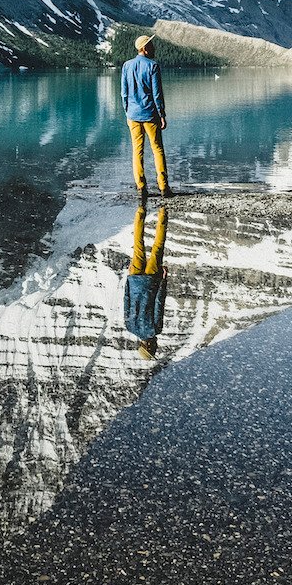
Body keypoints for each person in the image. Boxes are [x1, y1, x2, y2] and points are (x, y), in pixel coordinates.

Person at [120, 33, 171, 197]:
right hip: (150, 114)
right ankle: (163, 187)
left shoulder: (126, 66)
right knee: (157, 150)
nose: (153, 47)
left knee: (137, 151)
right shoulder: (153, 66)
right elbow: (157, 94)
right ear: (144, 48)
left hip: (133, 115)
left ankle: (141, 187)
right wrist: (161, 113)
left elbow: (124, 93)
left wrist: (127, 110)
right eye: (151, 44)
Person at [124, 203, 168, 359]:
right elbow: (127, 299)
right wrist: (129, 278)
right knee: (138, 245)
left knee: (157, 247)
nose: (156, 346)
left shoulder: (155, 329)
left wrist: (163, 281)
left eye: (154, 349)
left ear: (148, 345)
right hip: (135, 279)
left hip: (151, 281)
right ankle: (140, 210)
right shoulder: (129, 326)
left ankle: (163, 211)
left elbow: (158, 303)